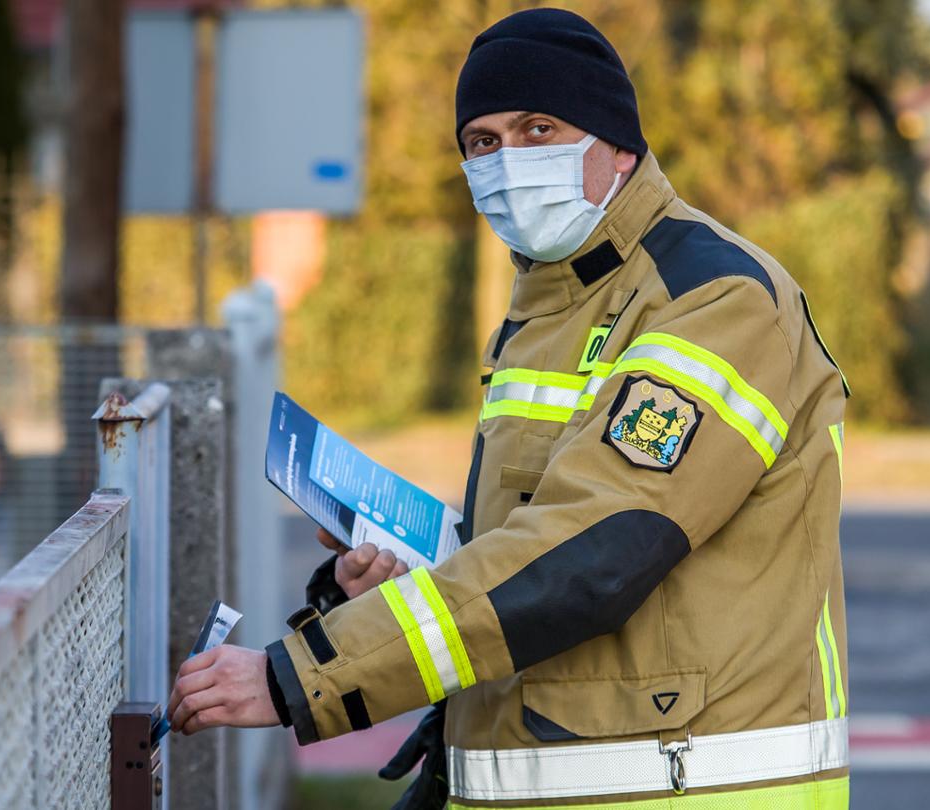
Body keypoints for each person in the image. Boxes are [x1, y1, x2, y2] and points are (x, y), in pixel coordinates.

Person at [169, 8, 852, 808]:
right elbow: (521, 547)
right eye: (483, 143)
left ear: (618, 146)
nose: (509, 161)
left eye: (539, 129)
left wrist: (301, 677)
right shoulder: (550, 302)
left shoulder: (716, 299)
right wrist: (403, 575)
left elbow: (590, 552)